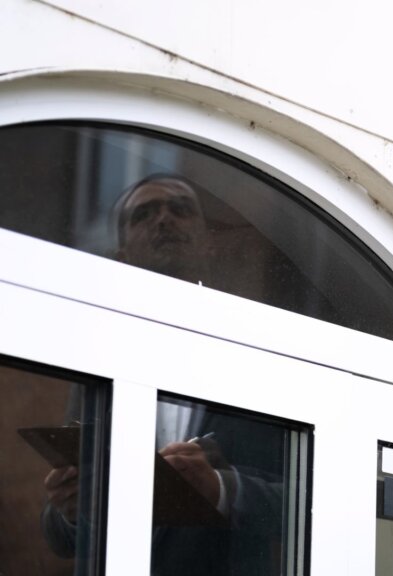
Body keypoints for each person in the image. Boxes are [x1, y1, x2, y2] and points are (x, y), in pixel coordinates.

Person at [42, 175, 286, 576]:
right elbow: (57, 536)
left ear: (207, 243)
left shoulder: (256, 358)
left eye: (180, 209)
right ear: (122, 257)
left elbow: (309, 503)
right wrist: (71, 511)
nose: (164, 219)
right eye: (144, 214)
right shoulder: (100, 363)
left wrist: (222, 489)